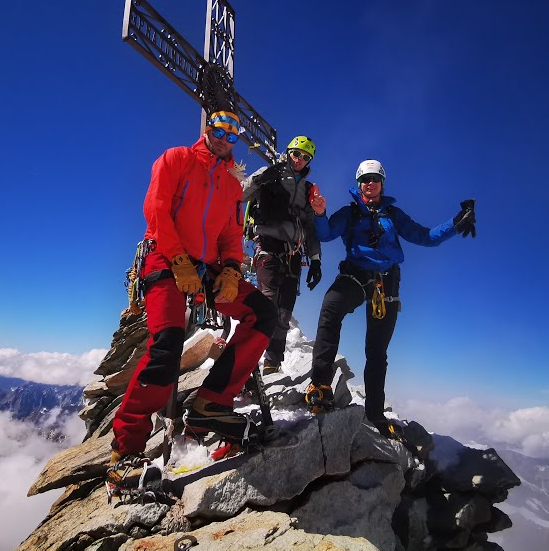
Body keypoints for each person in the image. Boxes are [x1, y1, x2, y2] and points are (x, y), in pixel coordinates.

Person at [107, 110, 279, 493]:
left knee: (262, 313)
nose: (224, 137)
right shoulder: (176, 159)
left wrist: (233, 270)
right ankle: (126, 449)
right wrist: (179, 259)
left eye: (232, 134)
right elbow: (157, 209)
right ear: (207, 130)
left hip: (208, 267)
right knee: (166, 343)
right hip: (163, 256)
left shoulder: (233, 187)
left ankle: (210, 404)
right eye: (218, 129)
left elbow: (232, 235)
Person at [304, 159, 476, 439]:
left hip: (386, 282)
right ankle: (320, 385)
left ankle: (375, 412)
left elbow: (426, 236)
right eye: (364, 179)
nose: (369, 183)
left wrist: (456, 224)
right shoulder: (350, 213)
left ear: (382, 182)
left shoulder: (393, 215)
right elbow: (325, 234)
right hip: (356, 274)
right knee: (331, 308)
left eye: (374, 178)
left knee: (376, 350)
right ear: (358, 184)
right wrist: (320, 213)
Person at [241, 135, 324, 375]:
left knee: (285, 311)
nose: (299, 160)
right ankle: (247, 360)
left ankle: (272, 362)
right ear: (288, 152)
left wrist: (316, 260)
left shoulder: (309, 189)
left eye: (305, 157)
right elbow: (239, 194)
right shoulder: (269, 173)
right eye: (296, 154)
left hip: (294, 255)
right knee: (267, 305)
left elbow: (310, 227)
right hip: (268, 246)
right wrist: (258, 179)